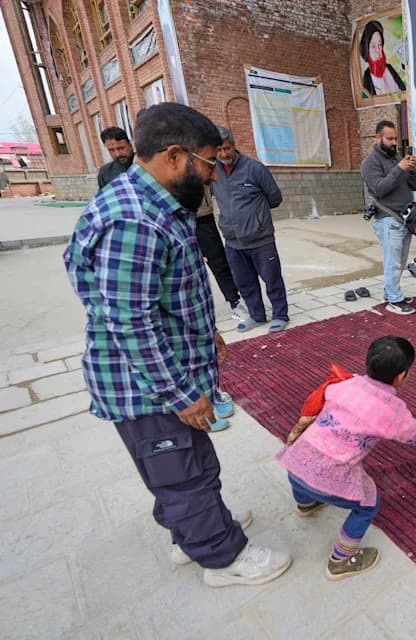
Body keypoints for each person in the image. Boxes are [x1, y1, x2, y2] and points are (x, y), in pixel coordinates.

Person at [63, 102, 292, 587]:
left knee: (184, 462)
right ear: (174, 156)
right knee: (183, 471)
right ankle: (220, 556)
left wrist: (205, 332)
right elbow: (130, 323)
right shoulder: (133, 220)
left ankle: (193, 530)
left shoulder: (159, 202)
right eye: (207, 163)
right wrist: (182, 393)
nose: (212, 176)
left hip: (166, 368)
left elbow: (161, 289)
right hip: (148, 383)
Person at [275, 335, 416, 580]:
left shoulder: (343, 384)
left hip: (296, 463)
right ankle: (340, 560)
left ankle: (306, 504)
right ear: (402, 375)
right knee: (368, 505)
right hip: (328, 476)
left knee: (304, 475)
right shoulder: (393, 410)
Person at [209, 126, 289, 333]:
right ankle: (257, 315)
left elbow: (275, 198)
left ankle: (280, 314)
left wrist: (256, 218)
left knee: (272, 279)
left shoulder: (254, 168)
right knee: (244, 282)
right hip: (233, 240)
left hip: (260, 239)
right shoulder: (213, 171)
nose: (223, 154)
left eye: (227, 149)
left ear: (234, 146)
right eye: (219, 150)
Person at [361, 120, 416, 315]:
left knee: (400, 262)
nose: (394, 142)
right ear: (378, 138)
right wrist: (400, 168)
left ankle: (391, 291)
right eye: (389, 138)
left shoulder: (396, 158)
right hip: (388, 219)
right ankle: (394, 300)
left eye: (395, 138)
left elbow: (413, 186)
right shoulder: (370, 162)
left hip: (405, 218)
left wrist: (411, 169)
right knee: (392, 262)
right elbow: (379, 189)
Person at [195, 185, 244, 320]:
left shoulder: (202, 164)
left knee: (218, 261)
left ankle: (234, 301)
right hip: (177, 217)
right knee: (184, 267)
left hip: (203, 217)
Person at [360, 20, 405, 97]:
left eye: (380, 44)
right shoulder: (367, 78)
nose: (378, 50)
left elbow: (404, 90)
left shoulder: (389, 68)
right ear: (367, 50)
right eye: (373, 46)